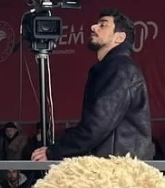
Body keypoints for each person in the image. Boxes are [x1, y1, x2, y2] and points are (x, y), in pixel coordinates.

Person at [31, 8, 154, 161]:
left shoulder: (119, 69)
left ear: (120, 37)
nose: (93, 27)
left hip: (115, 170)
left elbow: (97, 126)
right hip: (114, 166)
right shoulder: (114, 67)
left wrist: (55, 151)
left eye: (103, 25)